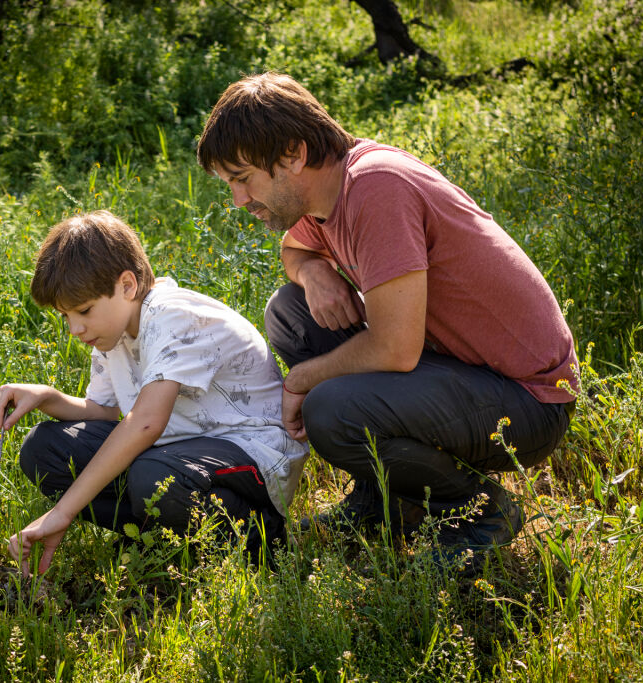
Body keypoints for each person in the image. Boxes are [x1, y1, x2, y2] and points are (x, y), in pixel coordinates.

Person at [196, 72, 578, 570]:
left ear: (293, 154)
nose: (239, 202)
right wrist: (314, 271)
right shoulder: (326, 193)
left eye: (243, 179)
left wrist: (303, 379)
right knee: (291, 312)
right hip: (461, 371)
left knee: (330, 410)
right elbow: (295, 251)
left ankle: (480, 511)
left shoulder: (376, 187)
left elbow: (396, 349)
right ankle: (390, 502)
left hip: (529, 401)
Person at [0, 210, 308, 575]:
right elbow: (108, 411)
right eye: (66, 317)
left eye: (83, 310)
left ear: (127, 285)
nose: (75, 328)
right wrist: (48, 398)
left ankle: (261, 545)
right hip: (181, 447)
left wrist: (63, 512)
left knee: (154, 476)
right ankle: (156, 535)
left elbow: (144, 424)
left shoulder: (170, 316)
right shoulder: (111, 333)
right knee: (43, 451)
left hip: (251, 451)